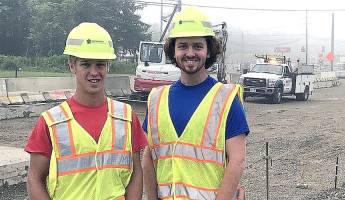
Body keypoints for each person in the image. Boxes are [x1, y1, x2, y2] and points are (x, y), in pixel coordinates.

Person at [25, 22, 148, 200]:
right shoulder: (51, 122)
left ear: (108, 66)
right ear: (72, 65)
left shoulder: (126, 117)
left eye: (100, 65)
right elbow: (34, 178)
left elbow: (136, 172)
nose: (94, 72)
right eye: (85, 64)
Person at [141, 7, 249, 200]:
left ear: (208, 51)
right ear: (173, 51)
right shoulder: (156, 99)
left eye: (197, 46)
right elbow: (149, 158)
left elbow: (237, 161)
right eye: (183, 46)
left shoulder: (225, 99)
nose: (190, 53)